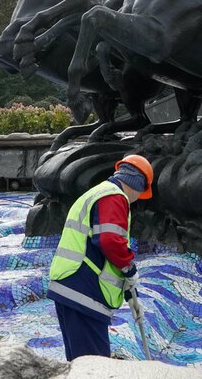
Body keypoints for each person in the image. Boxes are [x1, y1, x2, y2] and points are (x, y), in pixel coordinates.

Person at [47, 154, 153, 360]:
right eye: (141, 193)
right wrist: (129, 268)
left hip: (70, 287)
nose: (138, 199)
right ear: (137, 185)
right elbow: (109, 240)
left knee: (79, 364)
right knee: (95, 365)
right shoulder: (115, 197)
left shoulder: (98, 192)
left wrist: (131, 295)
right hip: (85, 293)